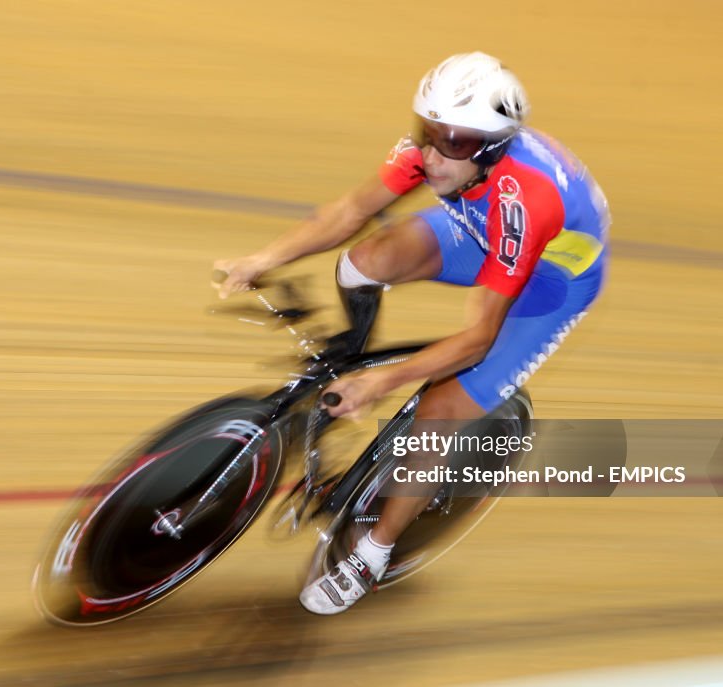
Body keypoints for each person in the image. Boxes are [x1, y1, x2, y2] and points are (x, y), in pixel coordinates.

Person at [214, 52, 610, 615]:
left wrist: (386, 382)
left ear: (491, 148)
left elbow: (477, 338)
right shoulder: (448, 152)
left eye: (451, 142)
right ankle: (348, 358)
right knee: (368, 258)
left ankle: (373, 553)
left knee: (442, 409)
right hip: (482, 228)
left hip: (549, 279)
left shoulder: (527, 199)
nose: (431, 155)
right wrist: (263, 257)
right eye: (428, 131)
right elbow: (351, 210)